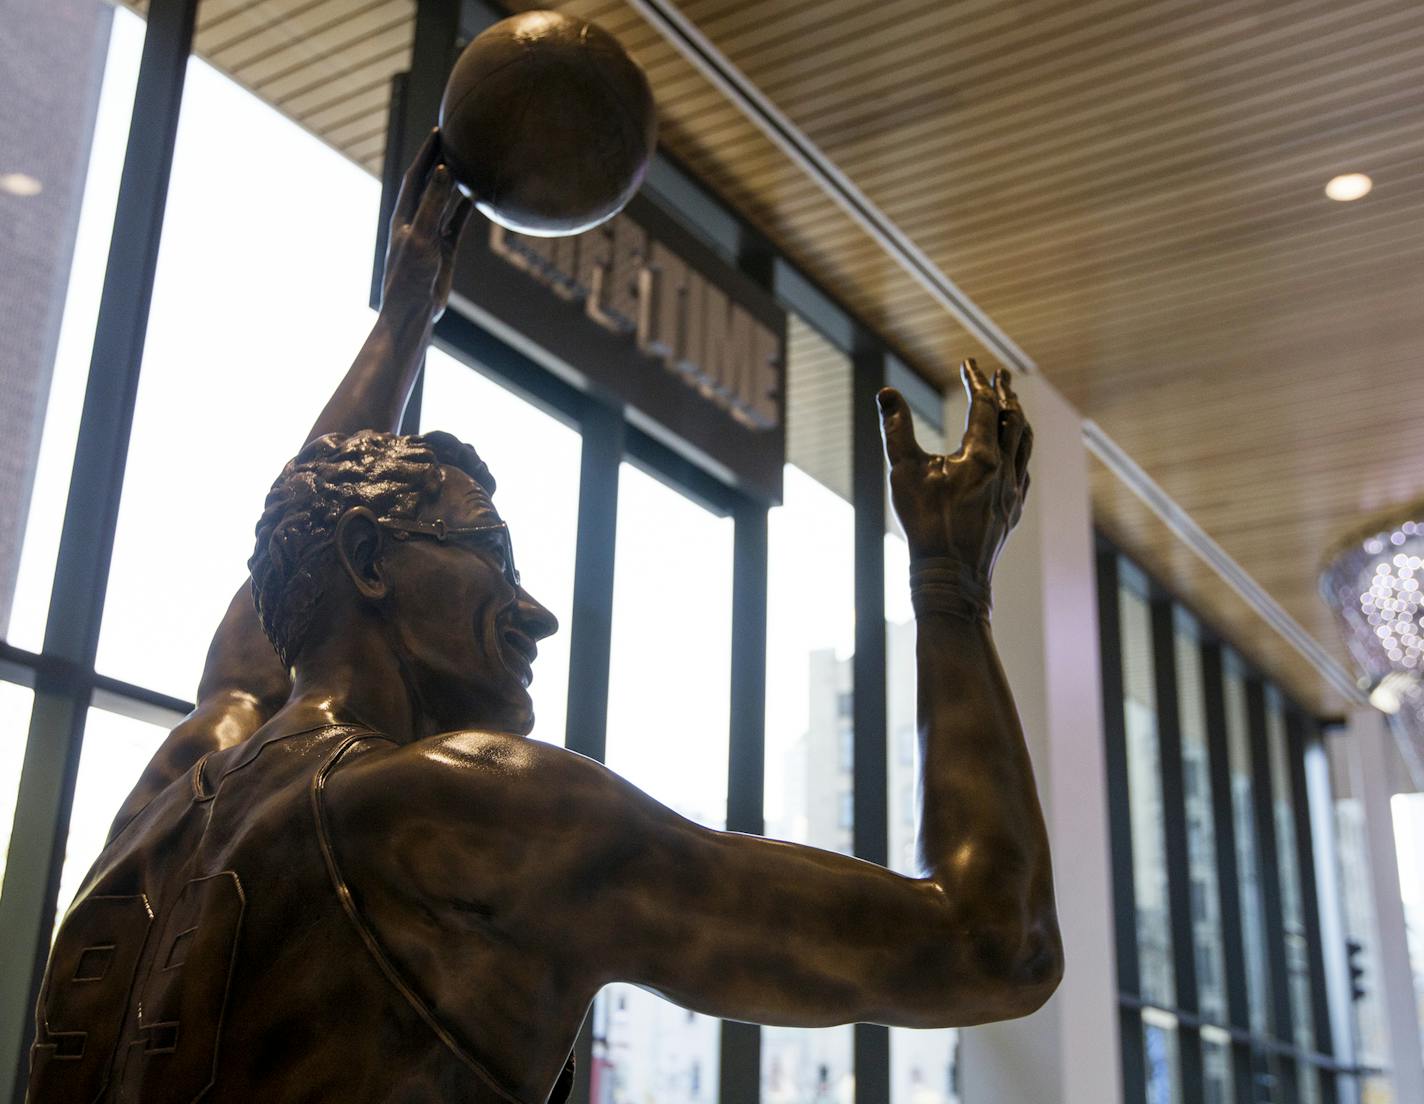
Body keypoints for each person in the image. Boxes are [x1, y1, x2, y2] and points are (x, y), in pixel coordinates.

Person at [30, 134, 1060, 1104]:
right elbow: (990, 945)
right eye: (492, 557)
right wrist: (950, 587)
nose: (535, 612)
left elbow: (262, 642)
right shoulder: (469, 812)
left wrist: (404, 322)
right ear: (368, 564)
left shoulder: (174, 799)